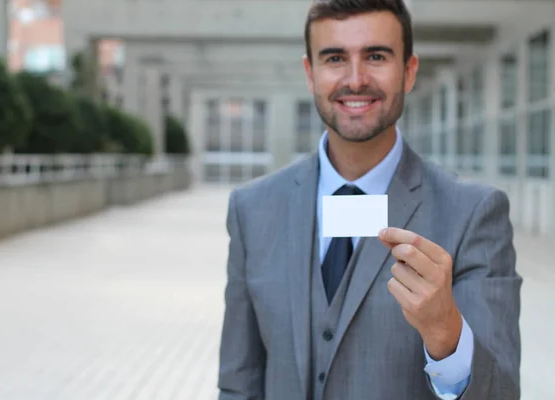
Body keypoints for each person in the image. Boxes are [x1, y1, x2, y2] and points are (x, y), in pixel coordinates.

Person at [217, 0, 522, 399]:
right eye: (335, 58)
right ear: (310, 73)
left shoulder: (474, 215)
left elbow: (500, 393)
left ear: (409, 71)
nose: (356, 79)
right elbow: (239, 385)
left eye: (376, 56)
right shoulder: (252, 210)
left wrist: (446, 332)